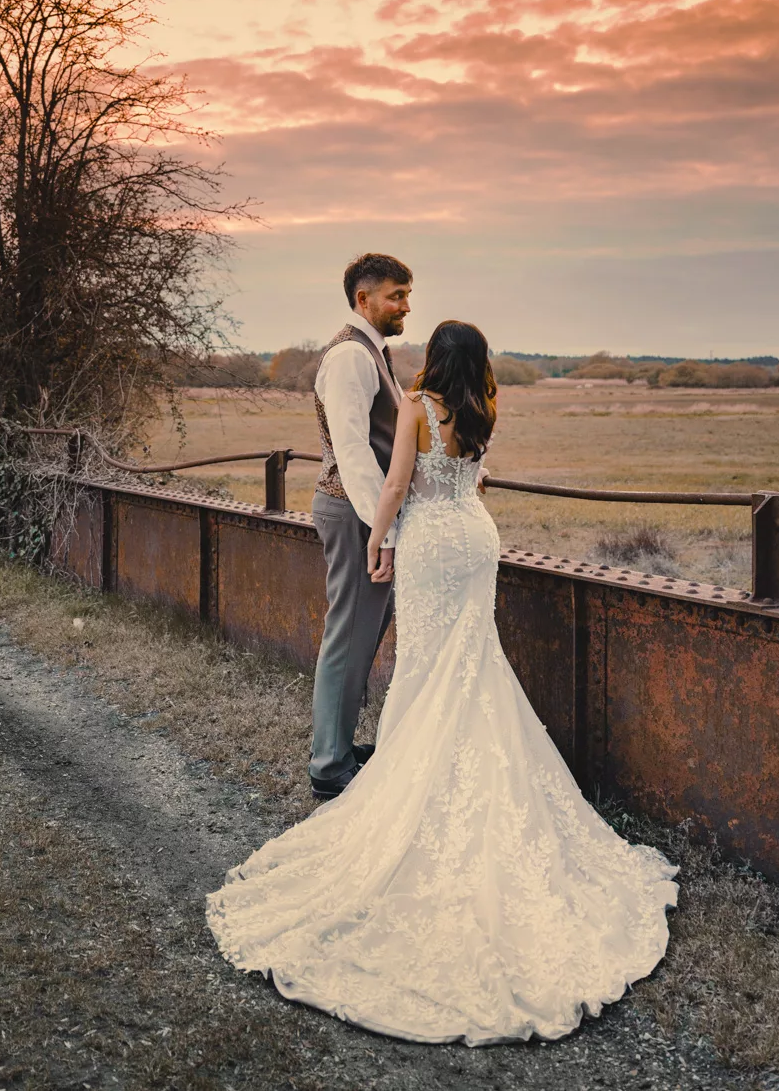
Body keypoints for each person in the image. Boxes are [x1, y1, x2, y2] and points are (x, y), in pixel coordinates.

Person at [206, 320, 678, 1046]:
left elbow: (396, 483)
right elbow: (473, 478)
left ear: (433, 360)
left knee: (425, 669)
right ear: (480, 363)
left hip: (428, 540)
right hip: (476, 537)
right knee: (473, 663)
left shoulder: (418, 408)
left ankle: (416, 780)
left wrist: (375, 537)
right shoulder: (483, 409)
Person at [305, 252, 412, 801]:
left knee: (361, 630)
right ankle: (329, 765)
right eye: (396, 295)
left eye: (407, 295)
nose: (405, 306)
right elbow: (353, 451)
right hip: (353, 512)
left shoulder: (373, 351)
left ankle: (341, 746)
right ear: (363, 298)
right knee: (348, 633)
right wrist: (383, 531)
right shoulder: (351, 356)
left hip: (360, 513)